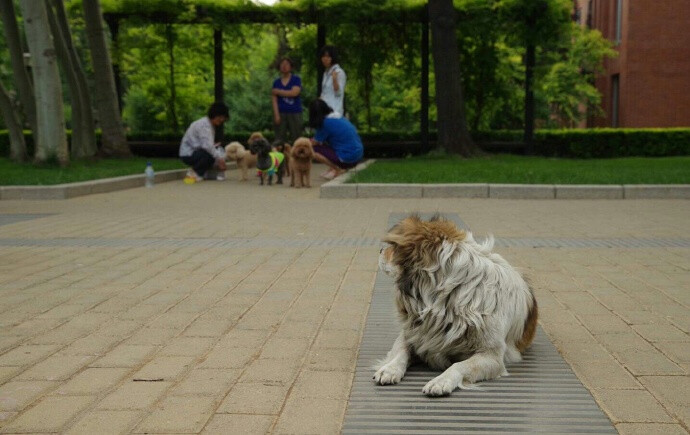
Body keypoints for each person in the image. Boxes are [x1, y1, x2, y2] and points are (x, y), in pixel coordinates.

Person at [309, 99, 363, 180]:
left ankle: (338, 169)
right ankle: (333, 169)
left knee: (312, 149)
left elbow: (314, 143)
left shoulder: (325, 123)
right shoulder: (338, 116)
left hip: (347, 158)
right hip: (358, 155)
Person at [179, 102, 229, 184]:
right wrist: (220, 160)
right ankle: (194, 172)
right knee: (211, 155)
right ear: (214, 115)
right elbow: (207, 147)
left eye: (223, 118)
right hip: (188, 154)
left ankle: (204, 173)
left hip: (196, 152)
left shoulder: (209, 125)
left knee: (218, 151)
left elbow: (206, 145)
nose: (222, 120)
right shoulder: (204, 125)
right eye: (220, 117)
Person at [271, 57, 303, 144]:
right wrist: (276, 115)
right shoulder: (276, 82)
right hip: (280, 112)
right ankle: (279, 157)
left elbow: (294, 93)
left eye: (287, 64)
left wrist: (278, 91)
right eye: (282, 64)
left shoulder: (296, 79)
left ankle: (297, 157)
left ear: (291, 67)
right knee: (279, 140)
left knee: (297, 138)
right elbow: (274, 99)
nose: (284, 66)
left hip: (295, 112)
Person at [319, 45, 346, 117]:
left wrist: (334, 79)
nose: (325, 59)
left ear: (333, 57)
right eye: (323, 56)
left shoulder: (339, 72)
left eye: (328, 56)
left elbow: (339, 93)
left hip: (335, 111)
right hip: (324, 110)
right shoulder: (326, 73)